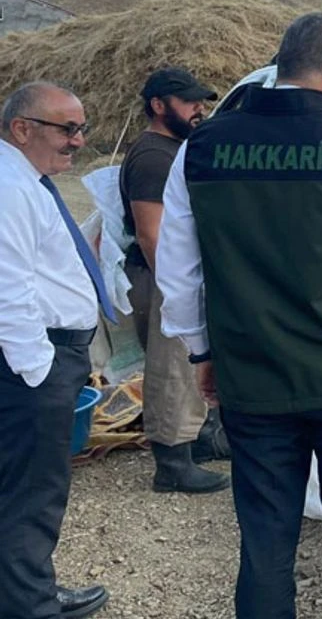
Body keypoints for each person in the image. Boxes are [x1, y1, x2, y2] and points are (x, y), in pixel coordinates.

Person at [155, 11, 322, 618]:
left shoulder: (201, 147)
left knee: (264, 537)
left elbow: (178, 270)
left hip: (252, 378)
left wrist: (201, 351)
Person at [0, 82, 110, 618]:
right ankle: (30, 606)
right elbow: (7, 288)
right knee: (33, 490)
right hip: (33, 360)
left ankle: (25, 589)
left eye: (81, 128)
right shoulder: (10, 187)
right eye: (67, 129)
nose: (79, 140)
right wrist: (39, 371)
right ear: (23, 129)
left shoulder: (24, 180)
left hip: (40, 356)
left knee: (23, 482)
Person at [119, 67, 231, 494]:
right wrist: (174, 289)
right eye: (189, 102)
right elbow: (152, 232)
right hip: (161, 277)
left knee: (188, 367)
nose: (198, 109)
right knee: (172, 369)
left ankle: (197, 441)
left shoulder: (172, 149)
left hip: (173, 274)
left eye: (201, 101)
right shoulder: (153, 157)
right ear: (158, 105)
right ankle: (172, 465)